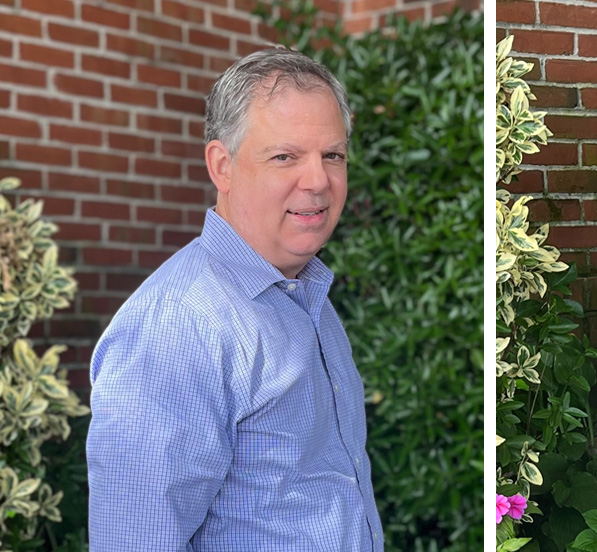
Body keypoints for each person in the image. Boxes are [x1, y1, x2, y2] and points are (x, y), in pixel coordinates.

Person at [87, 47, 384, 551]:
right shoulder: (178, 327)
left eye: (332, 155)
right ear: (222, 166)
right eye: (285, 156)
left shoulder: (306, 294)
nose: (318, 181)